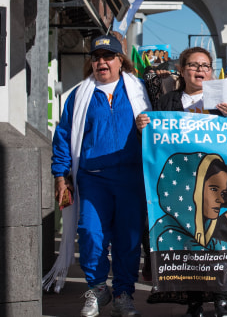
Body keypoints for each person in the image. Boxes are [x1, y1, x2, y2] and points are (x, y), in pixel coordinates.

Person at [47, 34, 151, 317]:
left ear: (121, 61)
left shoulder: (140, 91)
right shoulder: (79, 95)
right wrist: (60, 174)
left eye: (108, 57)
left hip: (131, 178)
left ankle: (123, 294)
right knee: (92, 235)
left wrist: (148, 125)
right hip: (92, 179)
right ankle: (97, 289)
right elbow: (63, 136)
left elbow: (162, 127)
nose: (101, 62)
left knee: (127, 240)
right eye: (96, 57)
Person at [153, 46, 227, 317]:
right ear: (182, 70)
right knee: (189, 245)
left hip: (217, 185)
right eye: (193, 65)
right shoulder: (167, 101)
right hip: (183, 184)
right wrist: (144, 125)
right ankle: (194, 301)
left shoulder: (225, 101)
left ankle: (223, 298)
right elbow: (155, 140)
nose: (200, 70)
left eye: (205, 66)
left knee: (219, 242)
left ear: (212, 71)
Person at [150, 153, 227, 250]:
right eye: (213, 189)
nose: (221, 200)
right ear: (192, 189)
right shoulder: (167, 233)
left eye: (223, 193)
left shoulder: (208, 233)